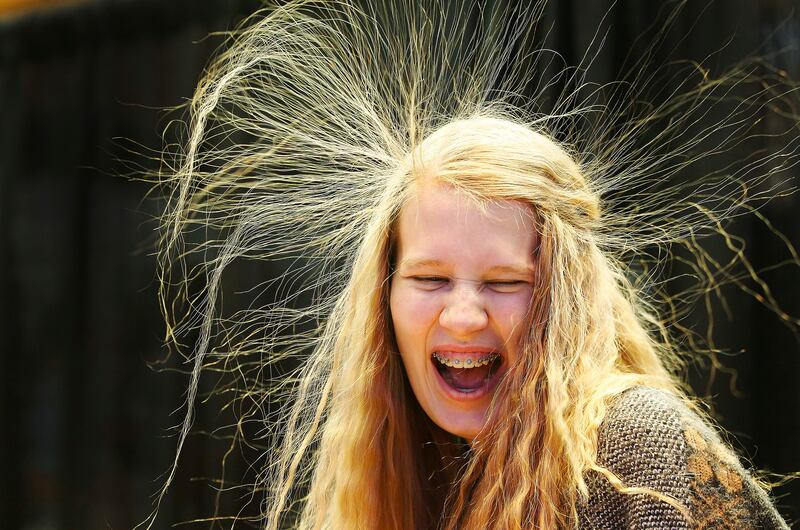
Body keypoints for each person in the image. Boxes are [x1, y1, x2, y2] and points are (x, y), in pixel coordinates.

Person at [145, 1, 797, 528]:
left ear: (561, 300)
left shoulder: (632, 448)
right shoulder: (420, 472)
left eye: (505, 282)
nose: (462, 313)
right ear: (384, 298)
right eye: (429, 278)